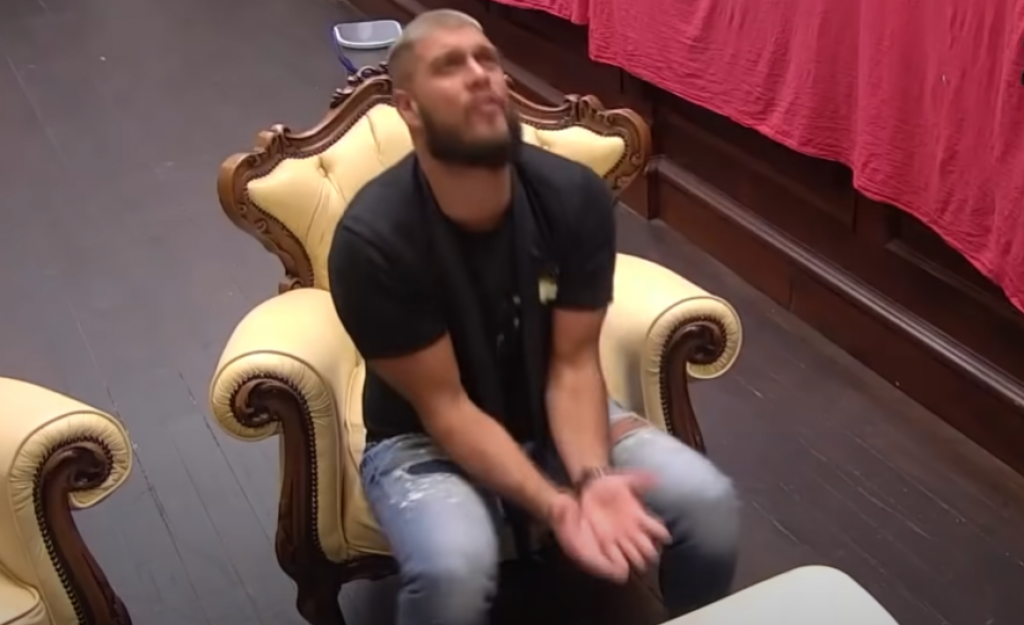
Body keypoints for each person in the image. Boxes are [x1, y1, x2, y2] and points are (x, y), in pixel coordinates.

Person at [328, 9, 739, 625]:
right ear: (408, 107)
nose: (480, 74)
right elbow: (447, 408)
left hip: (551, 407)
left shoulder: (572, 196)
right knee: (452, 572)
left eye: (487, 59)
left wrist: (592, 478)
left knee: (709, 503)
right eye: (450, 65)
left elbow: (572, 365)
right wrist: (557, 505)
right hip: (424, 437)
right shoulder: (374, 240)